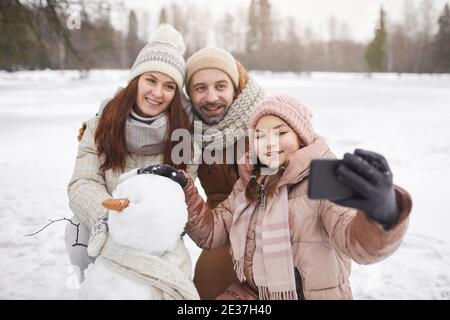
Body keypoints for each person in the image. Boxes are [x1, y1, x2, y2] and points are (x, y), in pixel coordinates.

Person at [149, 95, 412, 299]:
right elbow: (212, 232)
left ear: (301, 136)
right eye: (261, 136)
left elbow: (358, 245)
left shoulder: (323, 181)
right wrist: (184, 189)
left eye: (280, 132)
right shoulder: (251, 184)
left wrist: (382, 214)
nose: (270, 143)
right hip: (252, 294)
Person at [65, 24, 197, 278]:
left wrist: (151, 217)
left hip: (154, 228)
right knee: (76, 230)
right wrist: (105, 217)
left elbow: (182, 197)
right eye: (151, 80)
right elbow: (82, 181)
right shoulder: (101, 123)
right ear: (136, 80)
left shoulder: (184, 136)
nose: (157, 93)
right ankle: (93, 286)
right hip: (103, 220)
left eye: (169, 86)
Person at [184, 47, 265, 299]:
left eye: (221, 86)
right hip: (221, 228)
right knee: (207, 285)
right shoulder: (189, 130)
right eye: (200, 88)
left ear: (235, 88)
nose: (211, 97)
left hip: (271, 227)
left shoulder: (264, 119)